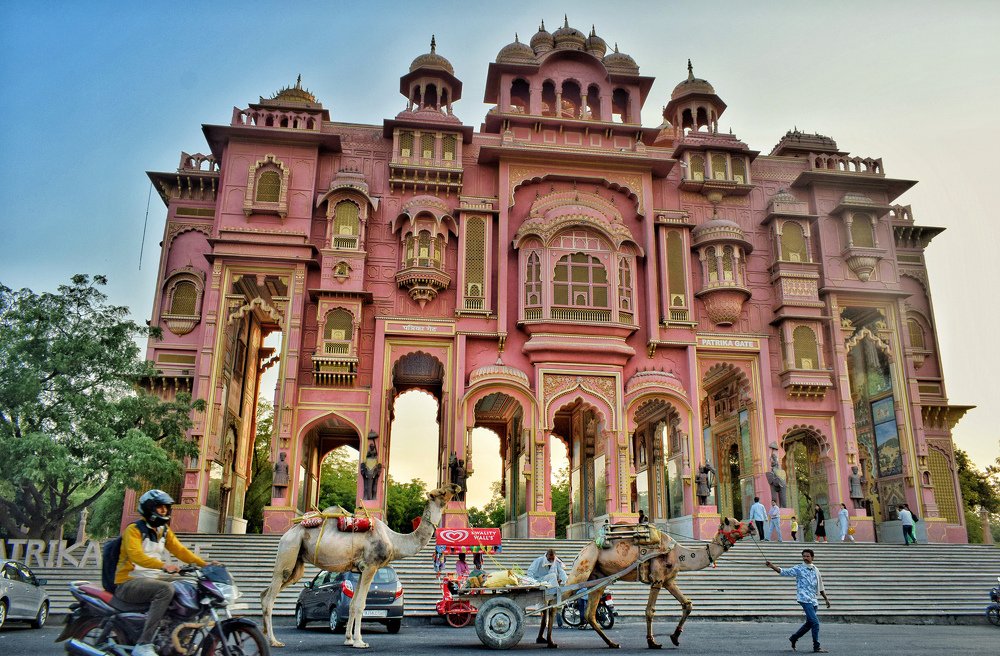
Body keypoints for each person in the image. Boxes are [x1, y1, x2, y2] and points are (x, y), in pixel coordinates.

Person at [114, 490, 210, 656]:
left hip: (150, 579)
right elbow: (137, 556)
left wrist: (205, 565)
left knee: (187, 589)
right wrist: (164, 566)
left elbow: (180, 550)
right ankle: (144, 643)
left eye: (166, 507)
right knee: (165, 589)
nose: (164, 510)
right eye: (160, 507)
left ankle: (179, 640)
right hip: (128, 582)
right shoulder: (134, 530)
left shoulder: (162, 530)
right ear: (150, 509)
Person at [765, 549, 831, 653]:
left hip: (813, 599)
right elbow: (784, 572)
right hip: (804, 598)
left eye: (807, 556)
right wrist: (772, 566)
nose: (805, 558)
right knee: (815, 623)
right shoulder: (799, 568)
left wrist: (826, 599)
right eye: (804, 556)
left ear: (812, 557)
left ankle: (794, 638)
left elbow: (820, 586)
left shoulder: (816, 570)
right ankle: (816, 647)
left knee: (809, 623)